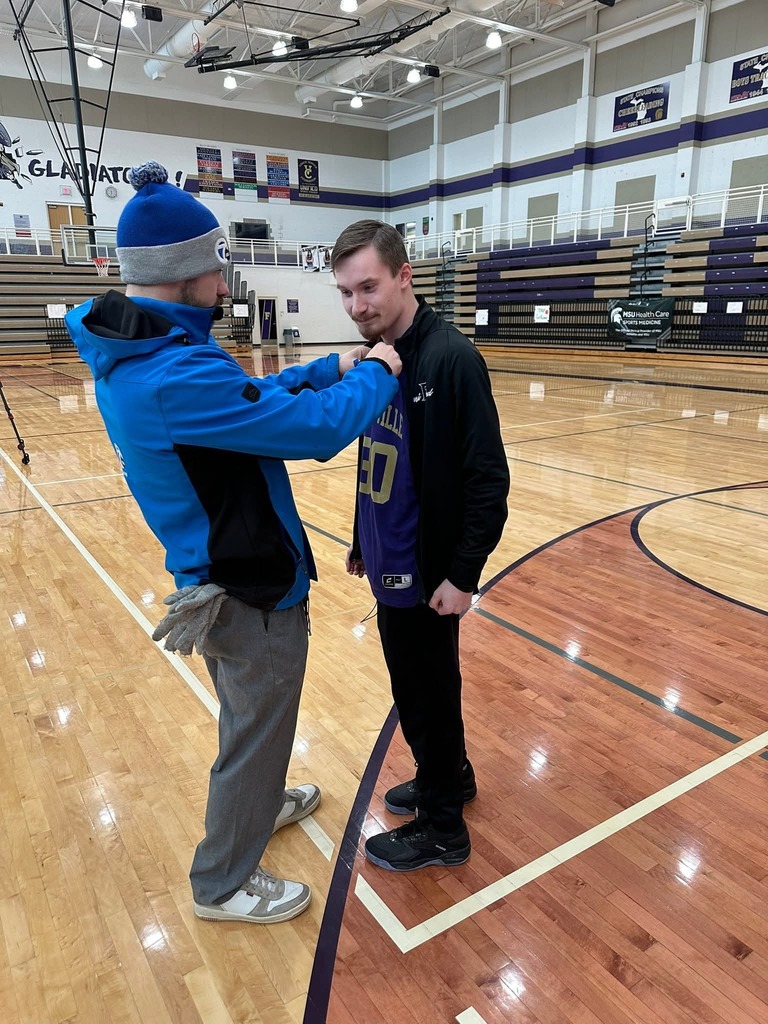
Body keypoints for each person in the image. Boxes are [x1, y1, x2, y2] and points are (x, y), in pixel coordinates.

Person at [65, 165, 401, 922]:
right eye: (215, 266)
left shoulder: (149, 350)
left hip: (217, 573)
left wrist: (324, 366)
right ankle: (222, 883)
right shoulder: (171, 372)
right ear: (183, 272)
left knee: (253, 718)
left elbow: (246, 404)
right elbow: (310, 433)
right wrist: (376, 371)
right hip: (246, 587)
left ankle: (260, 801)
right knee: (254, 727)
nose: (224, 282)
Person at [331, 219, 509, 872]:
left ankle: (442, 827)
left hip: (429, 576)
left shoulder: (450, 359)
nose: (357, 306)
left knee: (428, 695)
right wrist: (361, 537)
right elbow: (378, 458)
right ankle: (449, 778)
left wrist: (463, 576)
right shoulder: (381, 361)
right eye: (346, 293)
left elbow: (488, 480)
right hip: (389, 563)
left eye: (369, 288)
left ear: (405, 276)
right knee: (417, 693)